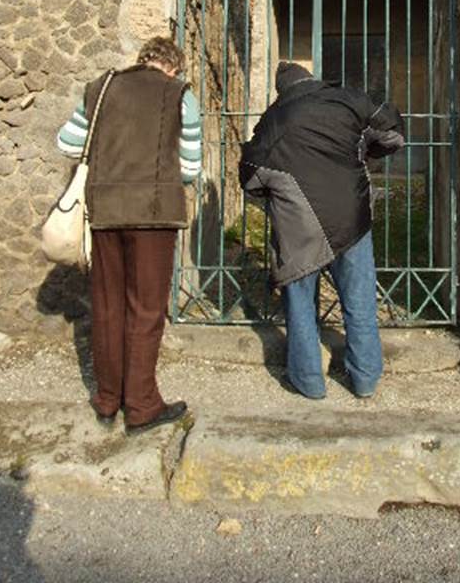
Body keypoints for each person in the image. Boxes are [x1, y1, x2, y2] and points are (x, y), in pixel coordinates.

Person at [57, 36, 202, 434]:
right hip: (154, 216)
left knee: (107, 304)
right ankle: (141, 406)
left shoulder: (102, 87)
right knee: (145, 309)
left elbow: (67, 143)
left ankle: (107, 400)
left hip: (105, 212)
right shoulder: (180, 95)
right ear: (173, 67)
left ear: (142, 60)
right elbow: (190, 168)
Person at [239, 61, 405, 399]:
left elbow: (250, 175)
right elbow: (393, 134)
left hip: (298, 223)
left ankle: (308, 381)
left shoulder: (275, 118)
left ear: (281, 91)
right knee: (359, 301)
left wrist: (277, 191)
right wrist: (361, 154)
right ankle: (365, 379)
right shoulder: (347, 99)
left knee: (300, 305)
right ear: (311, 80)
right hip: (352, 216)